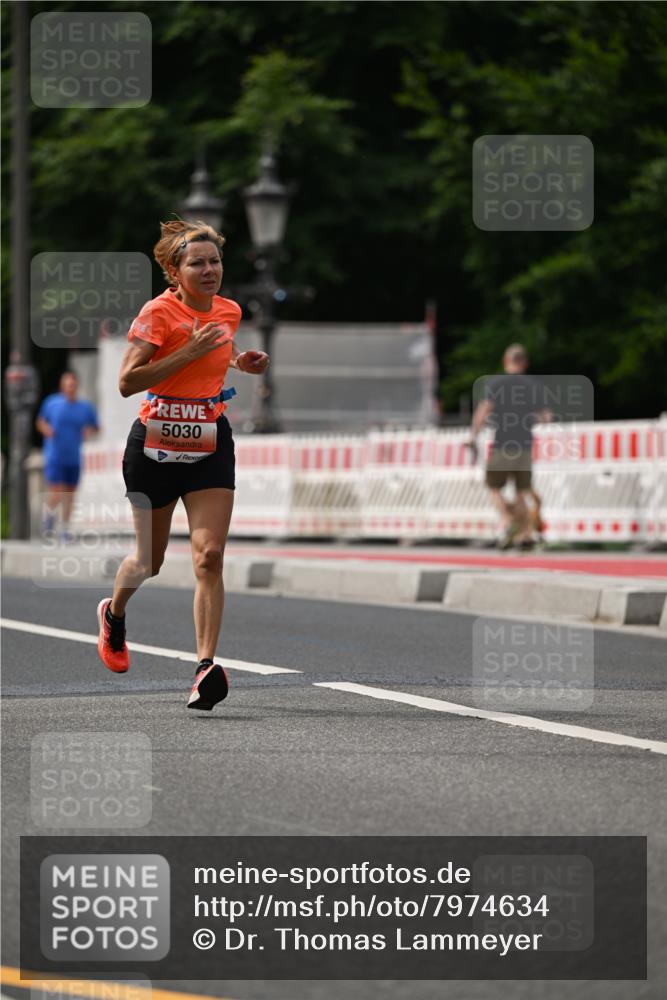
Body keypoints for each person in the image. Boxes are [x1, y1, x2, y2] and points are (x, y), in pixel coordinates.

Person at [96, 219, 269, 711]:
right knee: (149, 562)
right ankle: (114, 612)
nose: (210, 269)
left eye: (215, 261)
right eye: (198, 263)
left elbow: (219, 346)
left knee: (209, 556)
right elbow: (128, 382)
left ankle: (205, 668)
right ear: (175, 270)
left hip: (210, 439)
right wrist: (187, 351)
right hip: (153, 444)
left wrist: (240, 362)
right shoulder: (158, 313)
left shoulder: (229, 311)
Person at [469, 344, 551, 549]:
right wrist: (529, 418)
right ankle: (523, 535)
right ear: (525, 362)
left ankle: (507, 520)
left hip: (503, 443)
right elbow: (546, 417)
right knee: (522, 491)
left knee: (494, 487)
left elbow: (483, 412)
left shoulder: (496, 384)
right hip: (524, 444)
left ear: (506, 360)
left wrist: (473, 435)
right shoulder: (534, 385)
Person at [36, 371, 99, 542]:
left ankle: (64, 529)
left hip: (73, 457)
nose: (70, 388)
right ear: (62, 386)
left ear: (76, 386)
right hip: (55, 456)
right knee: (56, 493)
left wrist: (89, 430)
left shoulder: (84, 407)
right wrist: (46, 430)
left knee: (70, 495)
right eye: (67, 385)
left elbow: (96, 426)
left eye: (73, 385)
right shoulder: (52, 403)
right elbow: (40, 421)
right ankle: (48, 522)